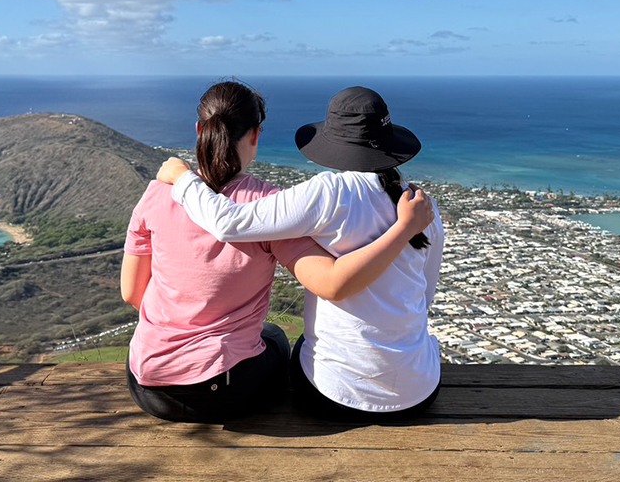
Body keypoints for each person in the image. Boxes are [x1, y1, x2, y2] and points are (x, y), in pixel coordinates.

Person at [122, 81, 432, 423]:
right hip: (225, 387)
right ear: (256, 135)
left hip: (148, 384)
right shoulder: (270, 207)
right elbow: (332, 282)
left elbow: (133, 293)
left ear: (199, 130)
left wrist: (182, 179)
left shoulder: (154, 196)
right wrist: (403, 229)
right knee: (276, 339)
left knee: (274, 339)